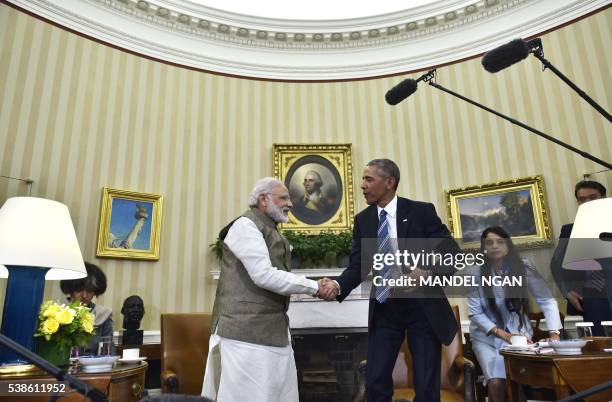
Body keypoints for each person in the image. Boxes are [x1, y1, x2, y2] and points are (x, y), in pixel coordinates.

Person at [319, 158, 462, 402]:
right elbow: (359, 266)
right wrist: (337, 284)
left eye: (368, 179)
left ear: (389, 182)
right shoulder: (363, 220)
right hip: (386, 307)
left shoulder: (420, 211)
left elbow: (452, 253)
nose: (362, 185)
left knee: (427, 386)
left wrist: (426, 272)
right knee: (375, 381)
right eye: (363, 179)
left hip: (422, 308)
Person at [201, 177, 328, 402]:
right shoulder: (245, 225)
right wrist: (315, 287)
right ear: (263, 199)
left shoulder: (271, 230)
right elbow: (264, 275)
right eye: (283, 198)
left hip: (272, 332)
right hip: (244, 334)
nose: (290, 203)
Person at [468, 226, 562, 402]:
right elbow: (475, 313)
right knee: (496, 383)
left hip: (519, 337)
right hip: (486, 338)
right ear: (483, 248)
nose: (495, 246)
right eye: (489, 243)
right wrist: (504, 335)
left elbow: (547, 300)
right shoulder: (474, 272)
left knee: (517, 381)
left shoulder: (524, 267)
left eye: (500, 242)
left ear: (508, 245)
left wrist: (554, 334)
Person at [550, 180, 611, 335]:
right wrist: (567, 291)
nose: (587, 202)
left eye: (593, 197)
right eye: (582, 200)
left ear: (604, 197)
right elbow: (556, 264)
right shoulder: (570, 230)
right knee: (598, 345)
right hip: (591, 297)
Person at [60, 262, 113, 355]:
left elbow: (108, 353)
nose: (84, 296)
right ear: (70, 289)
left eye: (89, 291)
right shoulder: (55, 312)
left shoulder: (103, 314)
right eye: (79, 290)